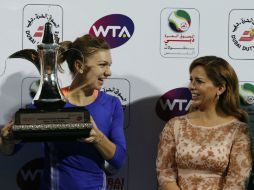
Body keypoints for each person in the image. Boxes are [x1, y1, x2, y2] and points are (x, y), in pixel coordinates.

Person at [0, 34, 126, 190]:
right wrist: (6, 140)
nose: (109, 72)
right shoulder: (48, 103)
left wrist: (98, 138)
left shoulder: (112, 104)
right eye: (102, 65)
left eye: (109, 65)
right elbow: (9, 150)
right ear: (79, 66)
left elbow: (119, 159)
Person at [156, 56, 252, 190]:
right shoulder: (175, 125)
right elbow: (165, 173)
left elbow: (237, 181)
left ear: (220, 88)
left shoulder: (238, 130)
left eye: (199, 81)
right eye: (191, 80)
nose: (191, 86)